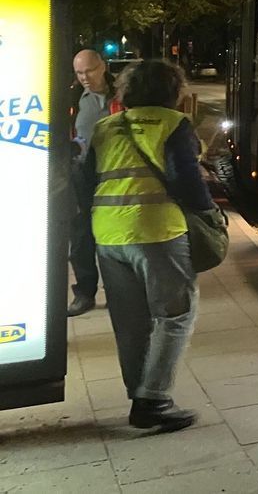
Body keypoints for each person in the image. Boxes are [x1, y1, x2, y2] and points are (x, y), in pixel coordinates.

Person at [81, 59, 214, 432]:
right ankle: (153, 399)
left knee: (130, 322)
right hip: (157, 232)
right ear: (174, 92)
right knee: (174, 315)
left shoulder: (105, 127)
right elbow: (186, 180)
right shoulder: (174, 124)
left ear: (126, 91)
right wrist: (209, 213)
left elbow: (84, 180)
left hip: (107, 233)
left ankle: (139, 394)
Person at [68, 50, 120, 317]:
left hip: (116, 174)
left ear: (102, 67)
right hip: (83, 176)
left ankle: (118, 292)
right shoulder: (73, 98)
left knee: (114, 236)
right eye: (79, 72)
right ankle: (85, 293)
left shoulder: (124, 94)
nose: (84, 77)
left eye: (89, 70)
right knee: (81, 236)